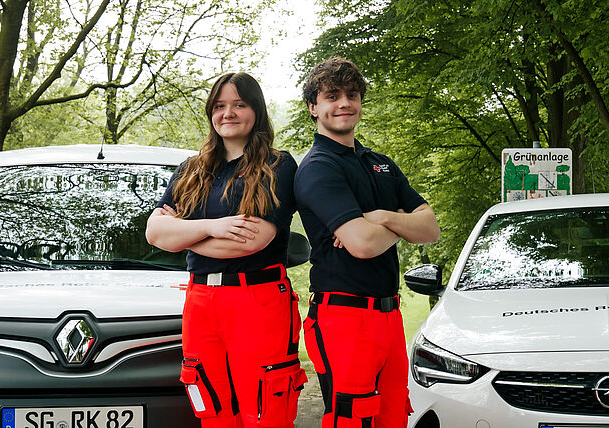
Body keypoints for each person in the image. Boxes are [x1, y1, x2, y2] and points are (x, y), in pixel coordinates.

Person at [145, 72, 306, 428]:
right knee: (212, 408)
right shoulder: (191, 170)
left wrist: (183, 234)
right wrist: (211, 227)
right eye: (219, 106)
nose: (228, 113)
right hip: (201, 301)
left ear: (256, 111)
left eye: (239, 104)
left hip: (259, 299)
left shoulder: (278, 166)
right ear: (210, 113)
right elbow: (155, 233)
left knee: (265, 413)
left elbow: (250, 241)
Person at [294, 57, 440, 428]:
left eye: (352, 94)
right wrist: (400, 223)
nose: (344, 103)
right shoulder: (317, 167)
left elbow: (431, 228)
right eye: (332, 96)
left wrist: (382, 218)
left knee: (392, 415)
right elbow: (361, 244)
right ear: (314, 107)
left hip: (390, 316)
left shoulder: (381, 164)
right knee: (354, 420)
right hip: (344, 316)